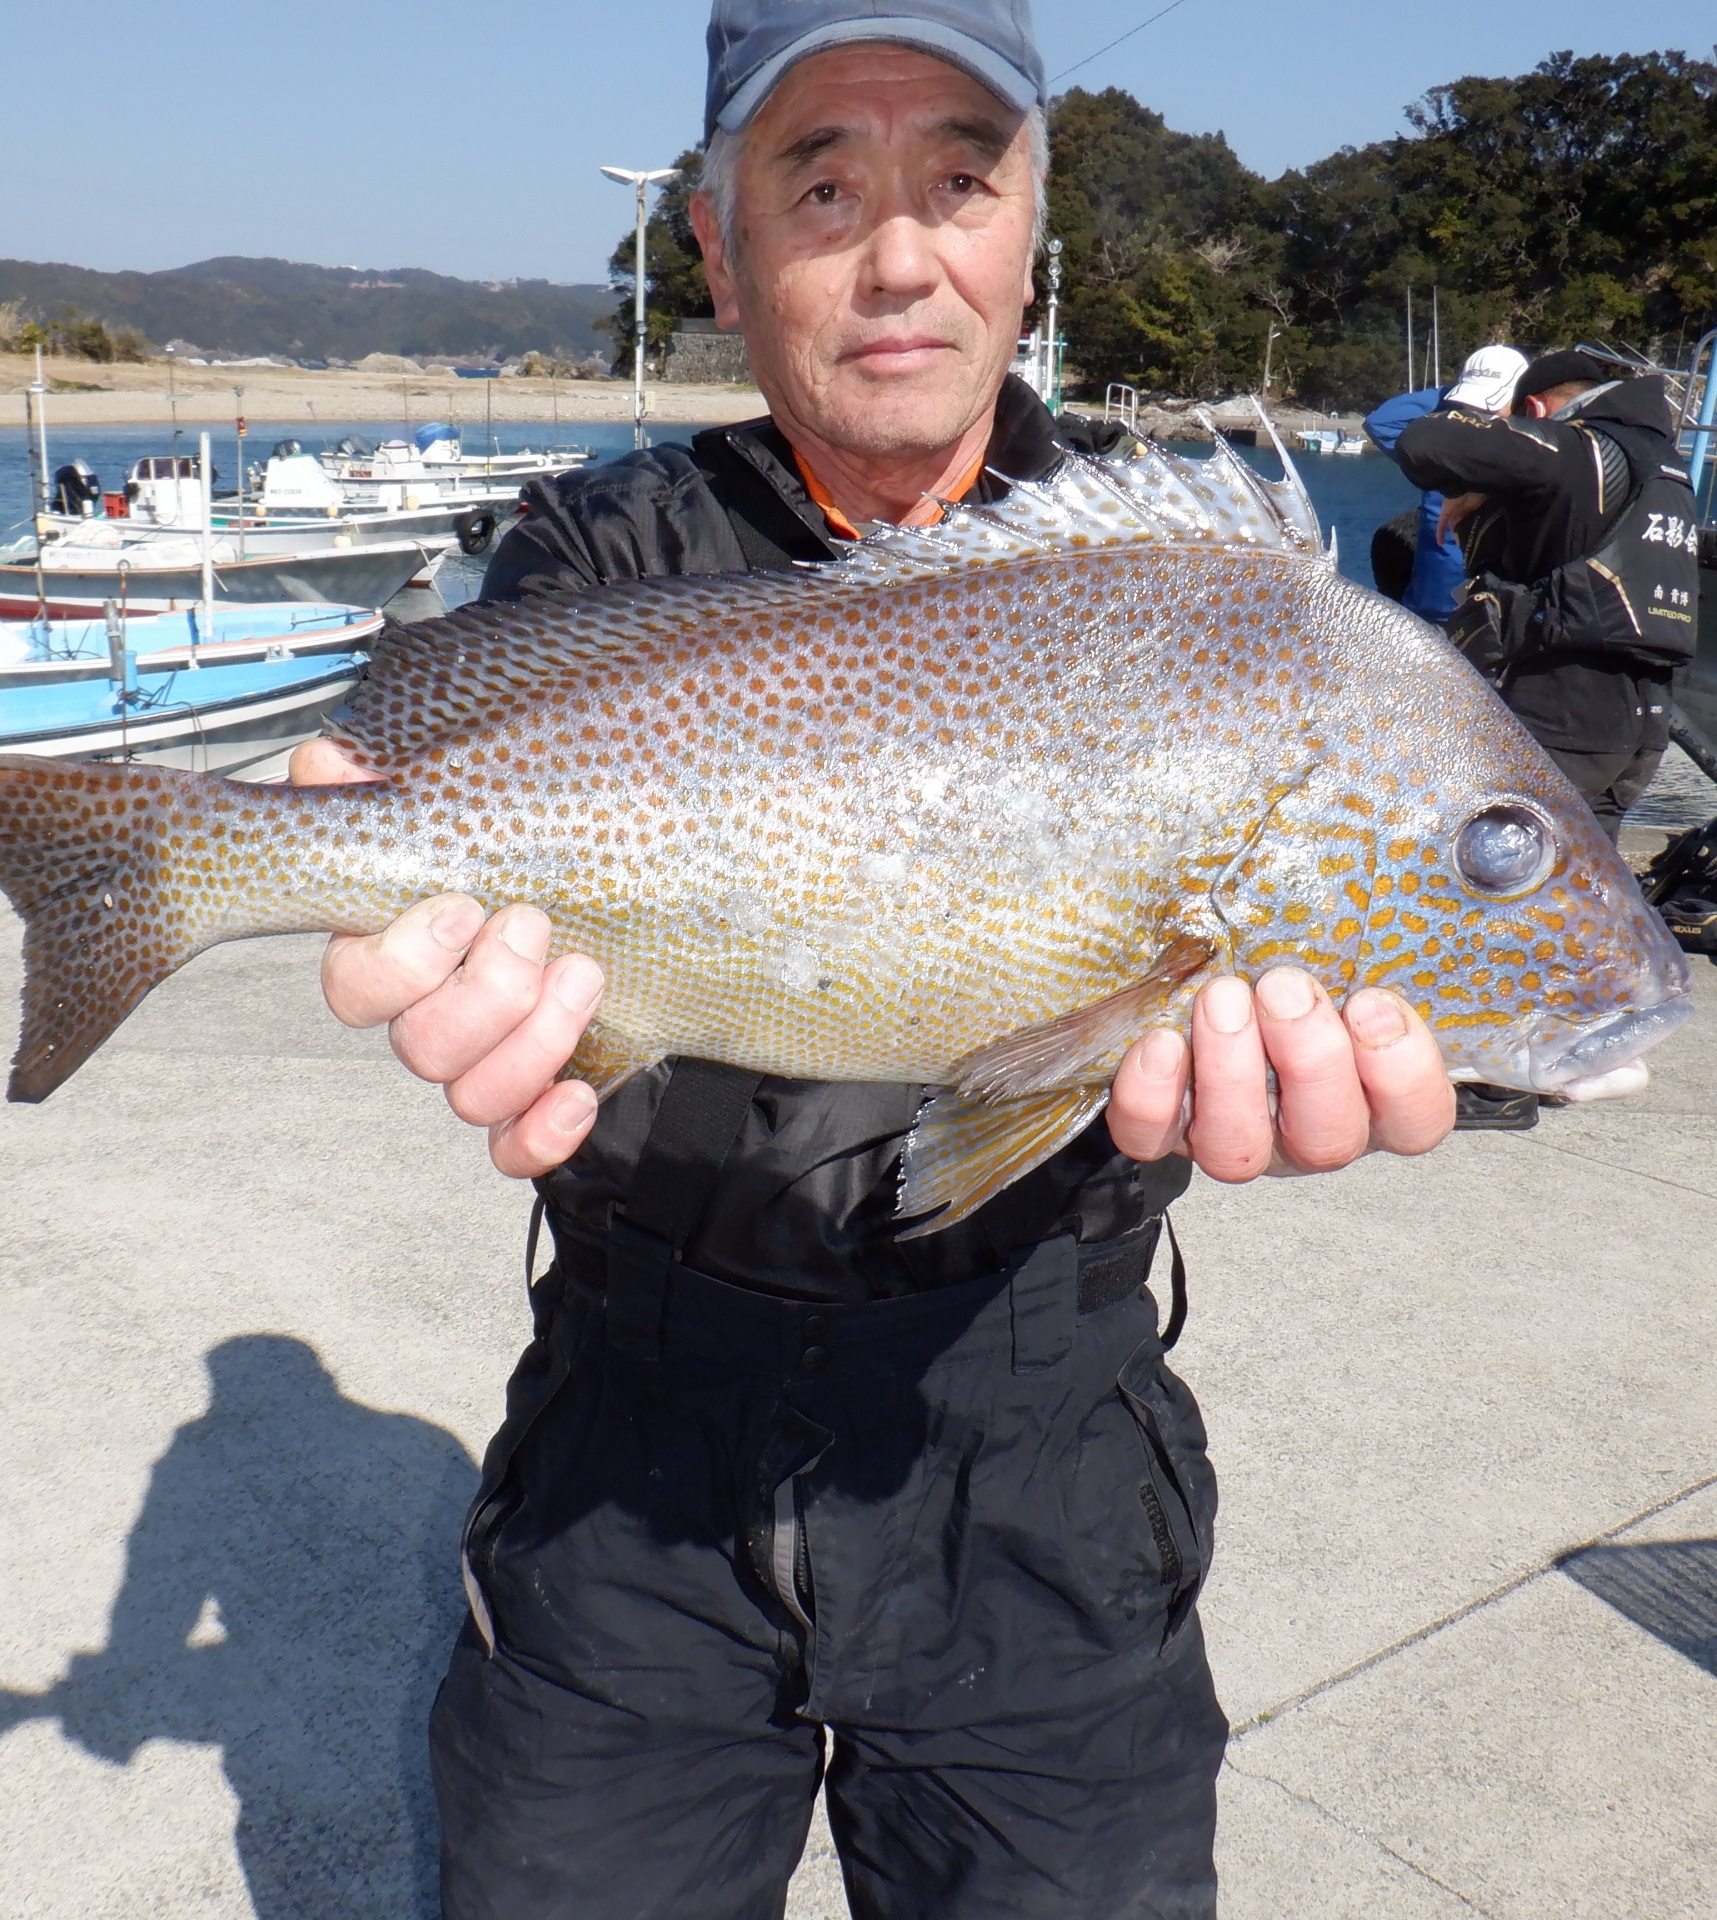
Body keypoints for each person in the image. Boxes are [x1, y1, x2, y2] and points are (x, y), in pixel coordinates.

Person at [294, 4, 1457, 1912]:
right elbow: (465, 819)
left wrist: (1369, 1034)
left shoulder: (1200, 592)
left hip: (1047, 1479)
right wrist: (388, 905)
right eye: (823, 185)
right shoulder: (600, 555)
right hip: (624, 1481)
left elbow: (1371, 925)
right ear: (718, 242)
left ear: (1032, 233)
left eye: (961, 182)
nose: (901, 254)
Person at [1392, 349, 1700, 1132]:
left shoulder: (1581, 450)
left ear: (1537, 409)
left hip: (1557, 706)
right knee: (1576, 902)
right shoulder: (1665, 469)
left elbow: (1424, 443)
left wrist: (1477, 439)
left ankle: (1493, 1079)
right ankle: (1550, 1062)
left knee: (1495, 885)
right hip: (1636, 721)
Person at [1364, 344, 1527, 622]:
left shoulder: (1532, 459)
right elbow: (1381, 422)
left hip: (1493, 617)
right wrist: (1455, 398)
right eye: (1469, 406)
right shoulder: (1444, 454)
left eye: (1488, 406)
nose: (1477, 415)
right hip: (1429, 610)